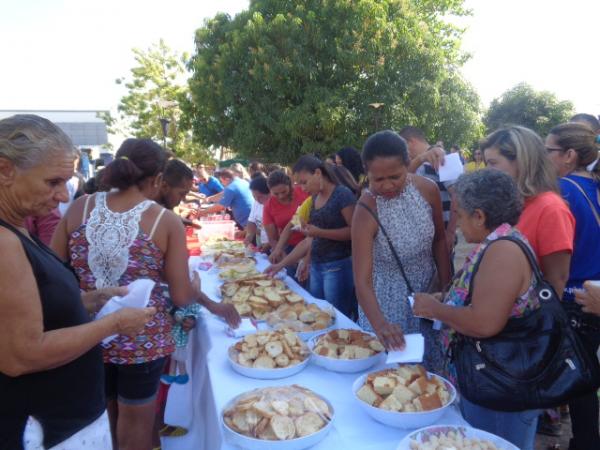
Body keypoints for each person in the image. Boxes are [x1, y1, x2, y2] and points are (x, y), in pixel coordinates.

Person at [0, 115, 153, 450]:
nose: (60, 196)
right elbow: (21, 354)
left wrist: (88, 301)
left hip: (64, 419)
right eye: (52, 182)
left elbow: (32, 311)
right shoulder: (4, 241)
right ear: (5, 170)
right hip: (45, 425)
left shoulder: (18, 226)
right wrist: (112, 324)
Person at [50, 138, 208, 450]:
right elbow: (181, 297)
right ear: (157, 179)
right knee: (136, 423)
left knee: (106, 415)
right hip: (142, 339)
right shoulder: (165, 221)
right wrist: (196, 289)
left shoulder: (80, 207)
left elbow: (53, 271)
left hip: (87, 334)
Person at [413, 169, 541, 450]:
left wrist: (437, 310)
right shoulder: (498, 242)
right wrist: (448, 302)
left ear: (480, 215)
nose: (456, 224)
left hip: (501, 389)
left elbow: (484, 323)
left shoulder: (503, 251)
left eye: (459, 214)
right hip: (493, 381)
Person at [352, 130, 451, 372]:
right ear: (367, 174)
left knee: (429, 376)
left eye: (395, 176)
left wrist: (447, 288)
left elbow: (439, 240)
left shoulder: (428, 190)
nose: (386, 186)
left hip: (428, 296)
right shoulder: (365, 210)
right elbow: (362, 282)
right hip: (385, 303)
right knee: (393, 380)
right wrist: (381, 325)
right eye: (378, 179)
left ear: (408, 165)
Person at [545, 122, 600, 450]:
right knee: (587, 377)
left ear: (569, 155)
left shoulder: (562, 192)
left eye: (548, 150)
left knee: (577, 380)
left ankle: (585, 443)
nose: (544, 155)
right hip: (596, 295)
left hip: (573, 297)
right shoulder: (594, 185)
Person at [482, 126, 575, 298]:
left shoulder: (551, 208)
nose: (487, 170)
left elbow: (557, 280)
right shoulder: (512, 203)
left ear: (521, 161)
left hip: (528, 320)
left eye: (493, 163)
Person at [267, 156, 358, 318]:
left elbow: (355, 233)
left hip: (337, 267)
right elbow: (310, 240)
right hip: (317, 266)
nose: (302, 188)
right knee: (316, 314)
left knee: (335, 317)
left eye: (304, 182)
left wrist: (319, 233)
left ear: (317, 173)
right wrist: (281, 264)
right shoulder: (315, 198)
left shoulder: (342, 195)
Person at [398, 126, 457, 252]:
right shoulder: (417, 162)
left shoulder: (443, 158)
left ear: (411, 142)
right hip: (422, 239)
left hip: (441, 236)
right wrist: (421, 159)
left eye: (403, 147)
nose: (404, 153)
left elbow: (458, 196)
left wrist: (451, 232)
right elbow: (401, 180)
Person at [265, 170, 309, 267]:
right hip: (289, 246)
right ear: (270, 191)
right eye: (276, 194)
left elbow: (293, 224)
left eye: (284, 191)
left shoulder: (304, 192)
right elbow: (273, 237)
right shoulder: (269, 205)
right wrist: (279, 251)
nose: (281, 196)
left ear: (290, 185)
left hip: (310, 243)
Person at [244, 176, 271, 252]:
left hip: (274, 246)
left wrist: (269, 244)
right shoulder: (256, 202)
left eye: (260, 197)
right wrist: (249, 236)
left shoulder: (273, 205)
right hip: (263, 244)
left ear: (270, 192)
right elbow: (251, 221)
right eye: (254, 197)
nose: (257, 200)